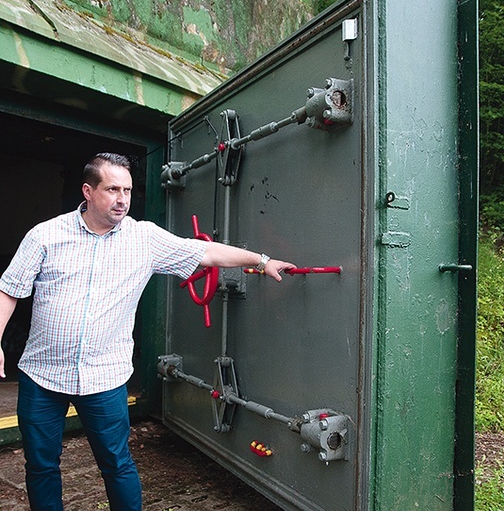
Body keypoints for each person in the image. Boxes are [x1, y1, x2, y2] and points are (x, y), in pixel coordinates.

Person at [0, 152, 295, 510]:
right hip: (42, 376)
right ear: (88, 191)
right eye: (111, 189)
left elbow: (204, 252)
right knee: (42, 467)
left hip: (104, 378)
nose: (122, 198)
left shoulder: (144, 239)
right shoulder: (45, 236)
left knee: (117, 464)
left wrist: (261, 261)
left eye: (126, 189)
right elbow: (9, 289)